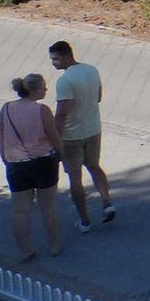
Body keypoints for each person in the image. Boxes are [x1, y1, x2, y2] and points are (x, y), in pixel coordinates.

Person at [0, 73, 66, 263]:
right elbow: (54, 137)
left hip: (16, 164)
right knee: (48, 206)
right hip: (43, 162)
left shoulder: (6, 108)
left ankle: (25, 250)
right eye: (43, 87)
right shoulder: (42, 110)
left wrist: (5, 158)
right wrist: (61, 154)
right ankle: (54, 245)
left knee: (20, 210)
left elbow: (0, 136)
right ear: (34, 90)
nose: (46, 89)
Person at [49, 40, 114, 231]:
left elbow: (61, 114)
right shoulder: (91, 70)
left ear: (66, 56)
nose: (53, 63)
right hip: (93, 129)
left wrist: (55, 139)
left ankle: (84, 220)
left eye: (55, 59)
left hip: (71, 136)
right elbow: (98, 97)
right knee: (94, 166)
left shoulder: (64, 81)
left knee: (75, 176)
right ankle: (107, 202)